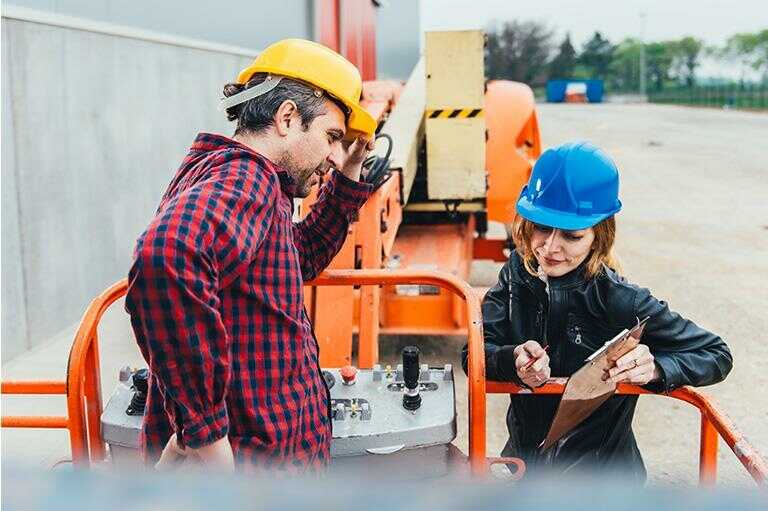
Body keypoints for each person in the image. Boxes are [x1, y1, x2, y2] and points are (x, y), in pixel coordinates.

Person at [125, 38, 378, 474]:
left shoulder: (236, 177)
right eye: (332, 137)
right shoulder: (248, 178)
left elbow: (298, 259)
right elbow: (164, 257)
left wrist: (350, 174)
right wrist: (206, 437)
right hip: (252, 472)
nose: (335, 157)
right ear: (286, 118)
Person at [463, 141, 732, 481]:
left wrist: (656, 368)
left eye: (572, 236)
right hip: (525, 470)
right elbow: (472, 354)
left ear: (599, 236)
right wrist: (511, 360)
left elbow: (716, 353)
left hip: (603, 483)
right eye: (542, 228)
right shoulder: (518, 274)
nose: (550, 247)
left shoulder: (621, 299)